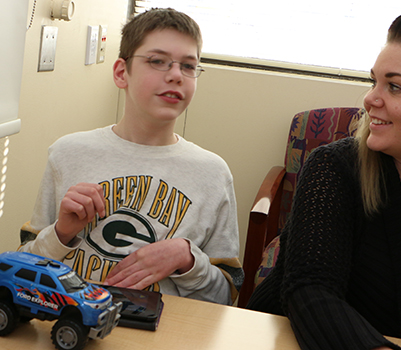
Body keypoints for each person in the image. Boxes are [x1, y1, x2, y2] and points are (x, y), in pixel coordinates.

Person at [247, 12, 401, 350]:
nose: (371, 99)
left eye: (394, 86)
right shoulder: (333, 167)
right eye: (374, 82)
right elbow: (310, 290)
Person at [19, 8, 243, 306]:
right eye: (157, 61)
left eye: (189, 66)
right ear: (121, 73)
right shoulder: (68, 153)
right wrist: (61, 233)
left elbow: (226, 298)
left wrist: (188, 260)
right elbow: (21, 270)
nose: (176, 75)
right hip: (74, 323)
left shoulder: (213, 174)